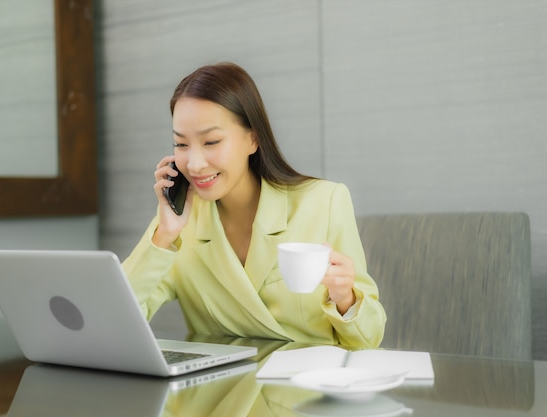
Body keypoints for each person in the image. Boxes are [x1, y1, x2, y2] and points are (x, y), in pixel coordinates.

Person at [122, 62, 386, 347]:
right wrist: (164, 235)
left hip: (305, 387)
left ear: (253, 139)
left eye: (211, 142)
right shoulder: (179, 223)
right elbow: (117, 321)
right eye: (181, 144)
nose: (195, 165)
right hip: (221, 390)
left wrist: (345, 298)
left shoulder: (325, 202)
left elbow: (368, 340)